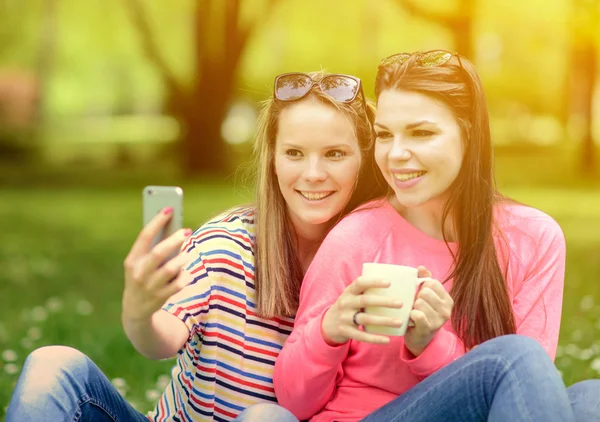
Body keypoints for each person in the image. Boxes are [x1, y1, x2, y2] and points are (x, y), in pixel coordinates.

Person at [5, 71, 387, 422]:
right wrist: (140, 313)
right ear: (272, 159)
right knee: (52, 363)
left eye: (335, 154)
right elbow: (163, 339)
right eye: (294, 153)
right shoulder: (226, 244)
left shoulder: (375, 265)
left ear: (363, 160)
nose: (313, 174)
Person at [246, 51, 600, 421]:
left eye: (421, 132)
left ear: (469, 134)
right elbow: (291, 403)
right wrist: (328, 331)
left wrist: (429, 344)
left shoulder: (534, 239)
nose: (396, 154)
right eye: (385, 135)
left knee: (592, 398)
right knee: (515, 356)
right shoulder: (357, 236)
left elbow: (528, 388)